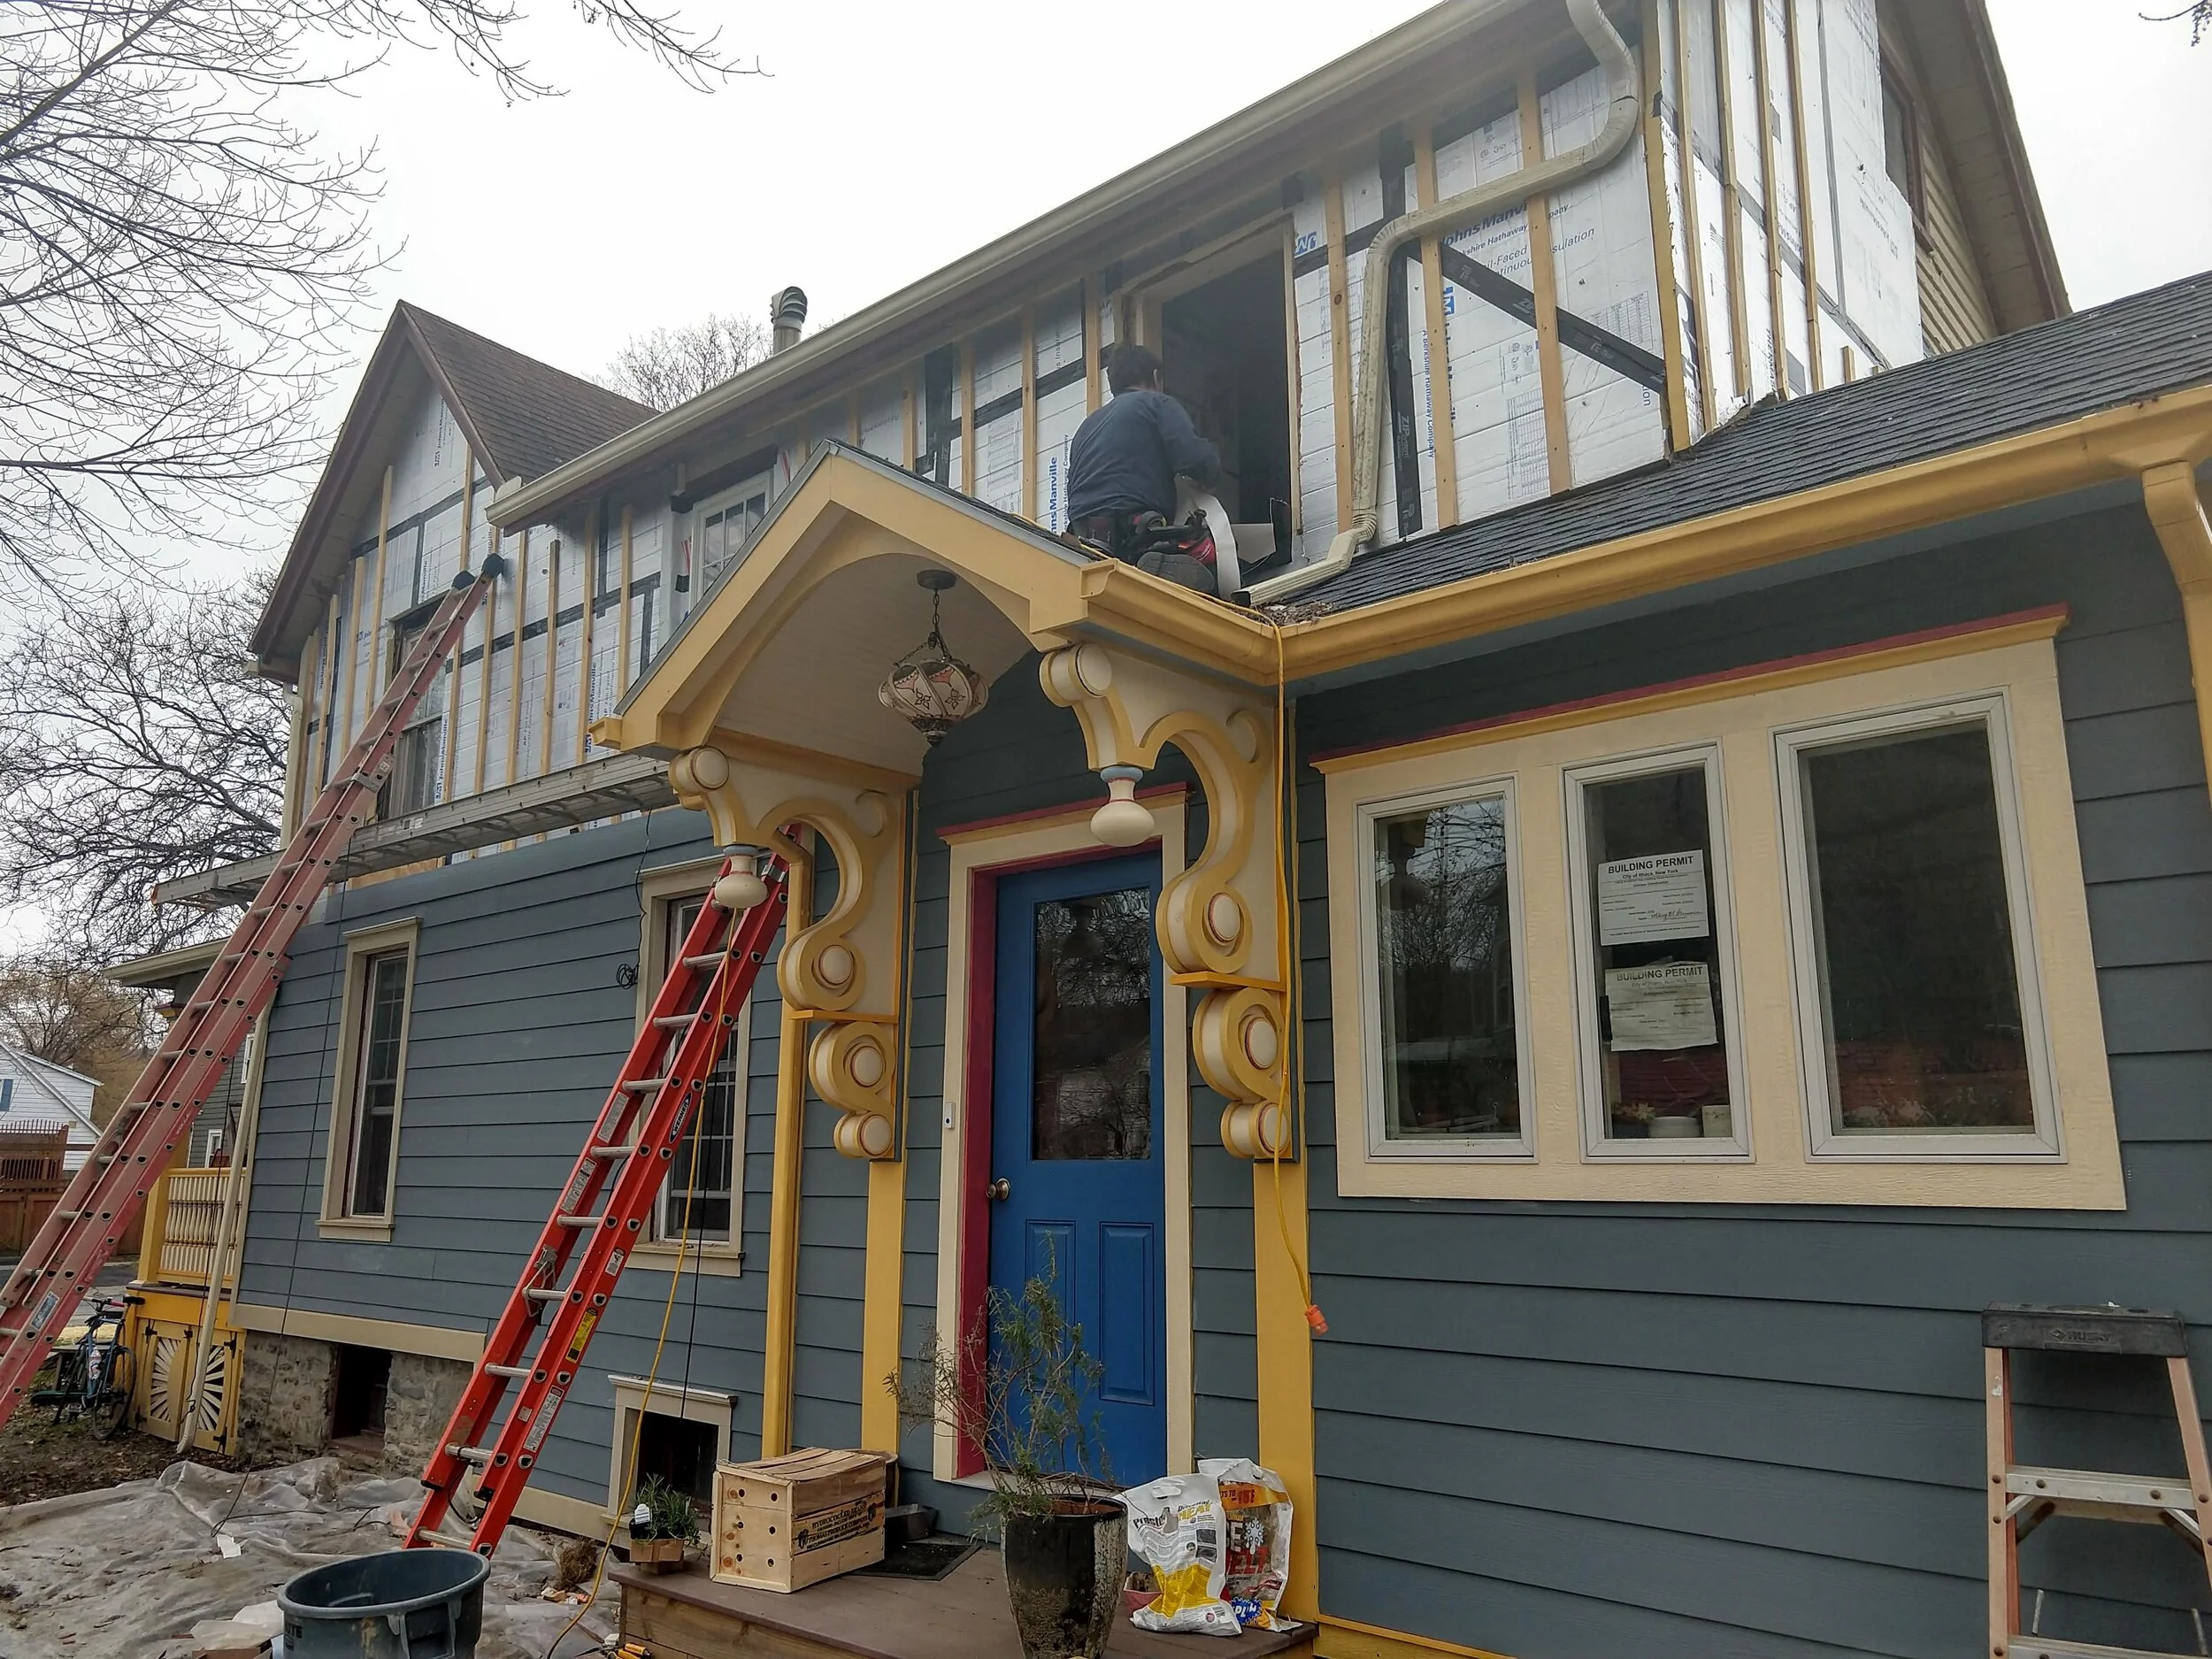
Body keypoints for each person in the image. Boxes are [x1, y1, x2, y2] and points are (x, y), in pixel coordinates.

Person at [1066, 343, 1223, 592]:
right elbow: (1196, 458)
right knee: (1213, 567)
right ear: (1156, 377)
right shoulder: (1156, 403)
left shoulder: (1086, 427)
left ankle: (1137, 565)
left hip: (1085, 535)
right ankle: (1156, 566)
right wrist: (1210, 476)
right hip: (1135, 526)